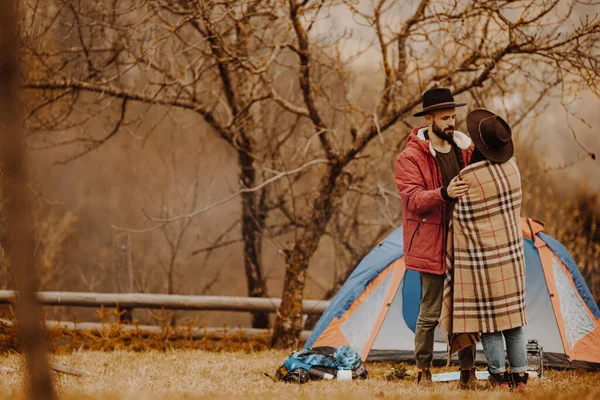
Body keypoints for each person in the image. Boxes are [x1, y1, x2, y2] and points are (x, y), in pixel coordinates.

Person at [395, 88, 482, 389]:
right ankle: (423, 372)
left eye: (453, 117)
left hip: (462, 241)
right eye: (445, 117)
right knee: (430, 310)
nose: (451, 123)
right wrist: (445, 193)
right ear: (428, 118)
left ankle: (468, 374)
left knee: (465, 308)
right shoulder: (409, 157)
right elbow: (413, 199)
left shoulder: (464, 150)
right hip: (430, 243)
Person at [440, 109, 528, 391]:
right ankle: (521, 378)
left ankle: (499, 378)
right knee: (514, 323)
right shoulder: (513, 169)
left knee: (490, 323)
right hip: (512, 256)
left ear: (479, 145)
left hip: (483, 261)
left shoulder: (468, 177)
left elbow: (459, 219)